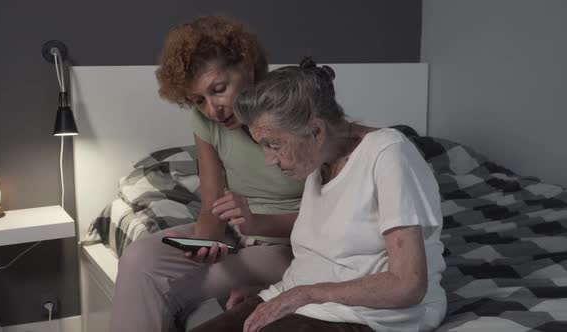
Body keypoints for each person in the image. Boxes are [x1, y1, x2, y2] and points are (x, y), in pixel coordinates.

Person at [189, 58, 447, 332]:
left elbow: (408, 284)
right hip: (300, 300)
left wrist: (304, 294)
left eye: (273, 145)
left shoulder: (388, 154)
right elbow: (327, 258)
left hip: (364, 316)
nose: (269, 159)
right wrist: (274, 291)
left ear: (316, 131)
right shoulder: (317, 160)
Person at [109, 16, 304, 332]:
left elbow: (330, 218)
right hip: (237, 235)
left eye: (219, 90)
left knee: (170, 289)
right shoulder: (207, 123)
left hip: (289, 244)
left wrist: (256, 222)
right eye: (198, 100)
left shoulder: (294, 110)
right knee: (139, 257)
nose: (214, 109)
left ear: (248, 66)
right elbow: (212, 203)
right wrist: (204, 244)